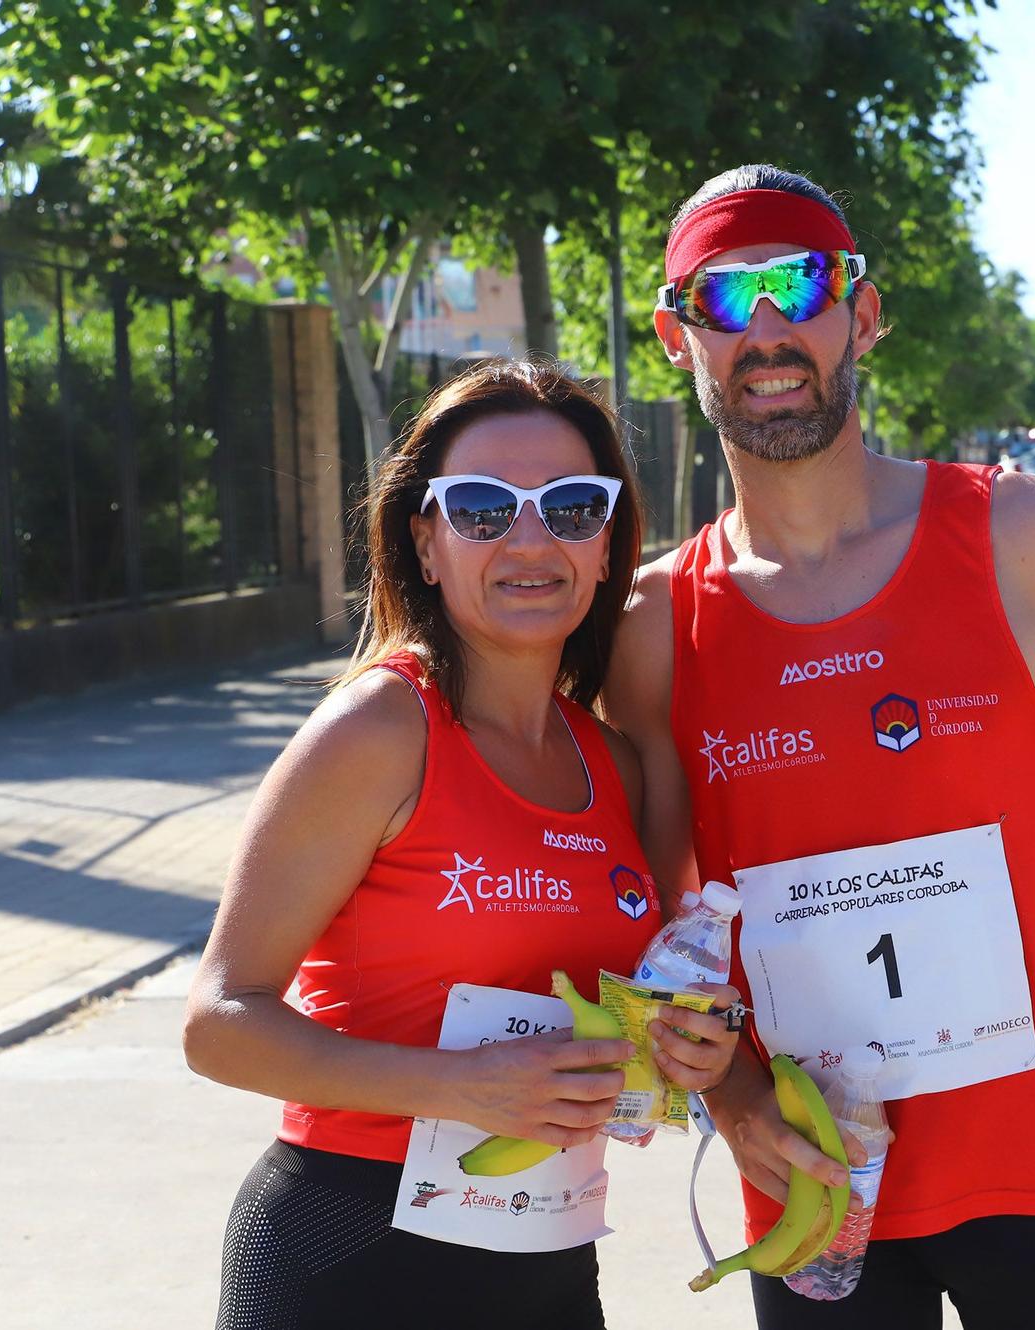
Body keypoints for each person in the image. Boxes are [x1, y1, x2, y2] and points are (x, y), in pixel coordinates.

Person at [605, 165, 1035, 1328]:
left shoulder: (1017, 531)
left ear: (862, 312)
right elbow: (659, 919)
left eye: (799, 283)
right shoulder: (656, 625)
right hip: (813, 1188)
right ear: (672, 333)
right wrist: (734, 1098)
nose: (764, 328)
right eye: (721, 296)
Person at [184, 360, 743, 1329]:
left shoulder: (613, 761)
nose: (530, 538)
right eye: (482, 508)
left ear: (608, 545)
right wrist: (454, 1086)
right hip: (350, 1259)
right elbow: (218, 1021)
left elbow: (627, 1006)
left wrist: (682, 1047)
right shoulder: (379, 729)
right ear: (426, 543)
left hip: (547, 1267)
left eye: (572, 506)